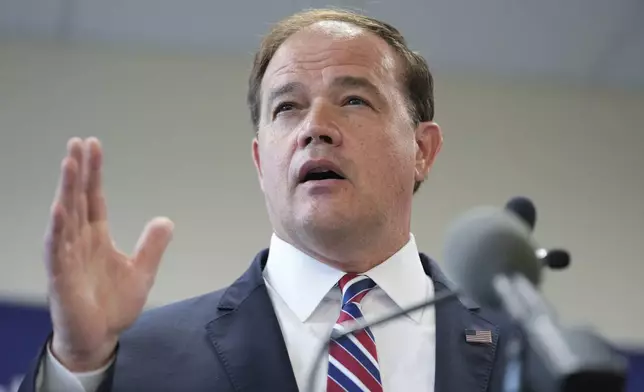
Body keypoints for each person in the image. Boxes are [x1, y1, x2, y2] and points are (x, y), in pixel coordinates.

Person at [19, 8, 513, 392]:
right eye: (287, 107)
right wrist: (78, 366)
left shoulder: (528, 356)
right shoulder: (142, 355)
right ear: (261, 161)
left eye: (353, 100)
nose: (315, 127)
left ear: (421, 150)